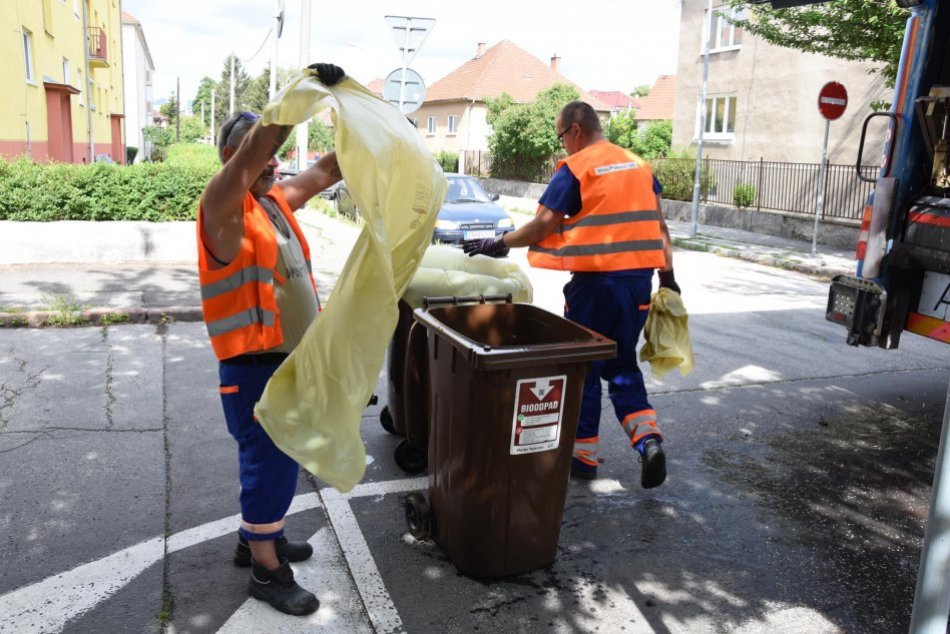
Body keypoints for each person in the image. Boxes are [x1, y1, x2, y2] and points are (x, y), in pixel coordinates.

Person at [463, 100, 679, 489]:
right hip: (638, 285)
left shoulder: (578, 168)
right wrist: (669, 278)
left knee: (585, 368)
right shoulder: (639, 165)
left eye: (561, 135)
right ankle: (648, 441)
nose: (562, 143)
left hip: (594, 286)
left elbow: (542, 225)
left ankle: (583, 456)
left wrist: (499, 243)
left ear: (576, 130)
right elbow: (660, 227)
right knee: (623, 366)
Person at [196, 63, 345, 616]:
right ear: (231, 158)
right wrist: (295, 98)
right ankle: (266, 570)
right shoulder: (221, 206)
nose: (273, 163)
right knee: (270, 462)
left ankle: (257, 538)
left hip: (285, 362)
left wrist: (366, 120)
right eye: (260, 156)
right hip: (254, 365)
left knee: (279, 457)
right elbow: (258, 150)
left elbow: (326, 169)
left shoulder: (274, 202)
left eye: (273, 158)